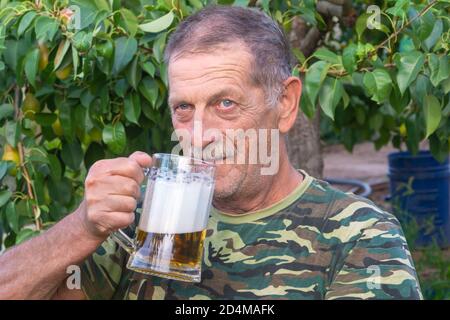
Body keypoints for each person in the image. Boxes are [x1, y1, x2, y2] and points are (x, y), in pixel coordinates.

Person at [0, 5, 422, 300]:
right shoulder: (143, 216)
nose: (199, 135)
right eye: (184, 108)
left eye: (225, 104)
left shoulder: (357, 234)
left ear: (286, 104)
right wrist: (82, 228)